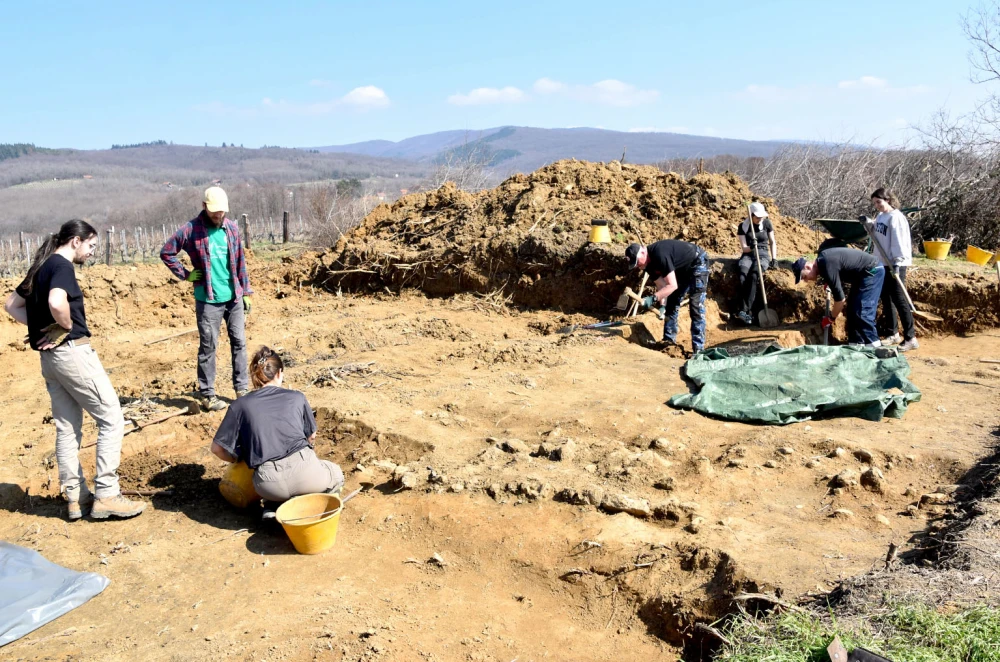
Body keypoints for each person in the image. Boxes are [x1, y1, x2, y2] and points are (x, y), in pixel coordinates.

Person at [3, 220, 145, 521]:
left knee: (67, 428)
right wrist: (65, 325)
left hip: (50, 360)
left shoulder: (41, 266)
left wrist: (37, 327)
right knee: (111, 417)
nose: (92, 252)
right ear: (76, 241)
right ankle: (106, 494)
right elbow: (56, 301)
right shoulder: (62, 266)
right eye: (91, 246)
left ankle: (76, 498)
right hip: (72, 353)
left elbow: (11, 305)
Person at [210, 346, 344, 520]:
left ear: (254, 376)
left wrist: (237, 459)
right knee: (336, 473)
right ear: (280, 373)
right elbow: (311, 436)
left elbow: (217, 449)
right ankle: (317, 504)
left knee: (275, 490)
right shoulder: (297, 397)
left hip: (268, 484)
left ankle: (273, 505)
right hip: (308, 474)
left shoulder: (239, 406)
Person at [160, 186, 252, 411]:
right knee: (209, 346)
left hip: (234, 297)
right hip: (208, 299)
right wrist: (185, 274)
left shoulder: (230, 228)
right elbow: (167, 252)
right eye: (214, 212)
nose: (219, 216)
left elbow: (239, 261)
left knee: (239, 342)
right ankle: (208, 394)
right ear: (204, 207)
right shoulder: (191, 230)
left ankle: (242, 389)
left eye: (221, 212)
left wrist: (246, 292)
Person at [625, 240, 710, 353]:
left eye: (637, 262)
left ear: (643, 252)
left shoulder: (660, 254)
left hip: (697, 262)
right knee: (671, 304)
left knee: (696, 305)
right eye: (635, 264)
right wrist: (662, 306)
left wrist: (653, 298)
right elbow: (662, 285)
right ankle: (669, 343)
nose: (638, 266)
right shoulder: (647, 265)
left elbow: (672, 285)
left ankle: (699, 350)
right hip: (681, 270)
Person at [792, 247, 885, 347]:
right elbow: (839, 267)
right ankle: (856, 344)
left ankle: (875, 347)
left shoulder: (826, 264)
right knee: (851, 310)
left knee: (863, 311)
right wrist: (831, 281)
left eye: (805, 277)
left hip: (872, 271)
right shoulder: (823, 260)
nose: (806, 280)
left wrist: (831, 318)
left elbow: (840, 300)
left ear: (808, 267)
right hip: (861, 276)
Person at [863, 187, 918, 352]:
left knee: (899, 299)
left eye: (879, 202)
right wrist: (868, 223)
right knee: (886, 298)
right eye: (874, 203)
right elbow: (878, 231)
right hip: (882, 262)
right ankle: (893, 333)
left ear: (888, 200)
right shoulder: (881, 216)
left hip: (895, 263)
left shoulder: (896, 218)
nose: (877, 206)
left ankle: (911, 338)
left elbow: (900, 242)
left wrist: (897, 264)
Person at [735, 202, 778, 325]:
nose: (760, 219)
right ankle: (746, 312)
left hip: (763, 254)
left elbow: (772, 241)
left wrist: (774, 259)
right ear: (751, 215)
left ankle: (746, 311)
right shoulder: (743, 226)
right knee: (743, 276)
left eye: (761, 217)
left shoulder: (767, 223)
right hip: (748, 254)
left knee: (754, 275)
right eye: (757, 217)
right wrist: (752, 247)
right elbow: (744, 248)